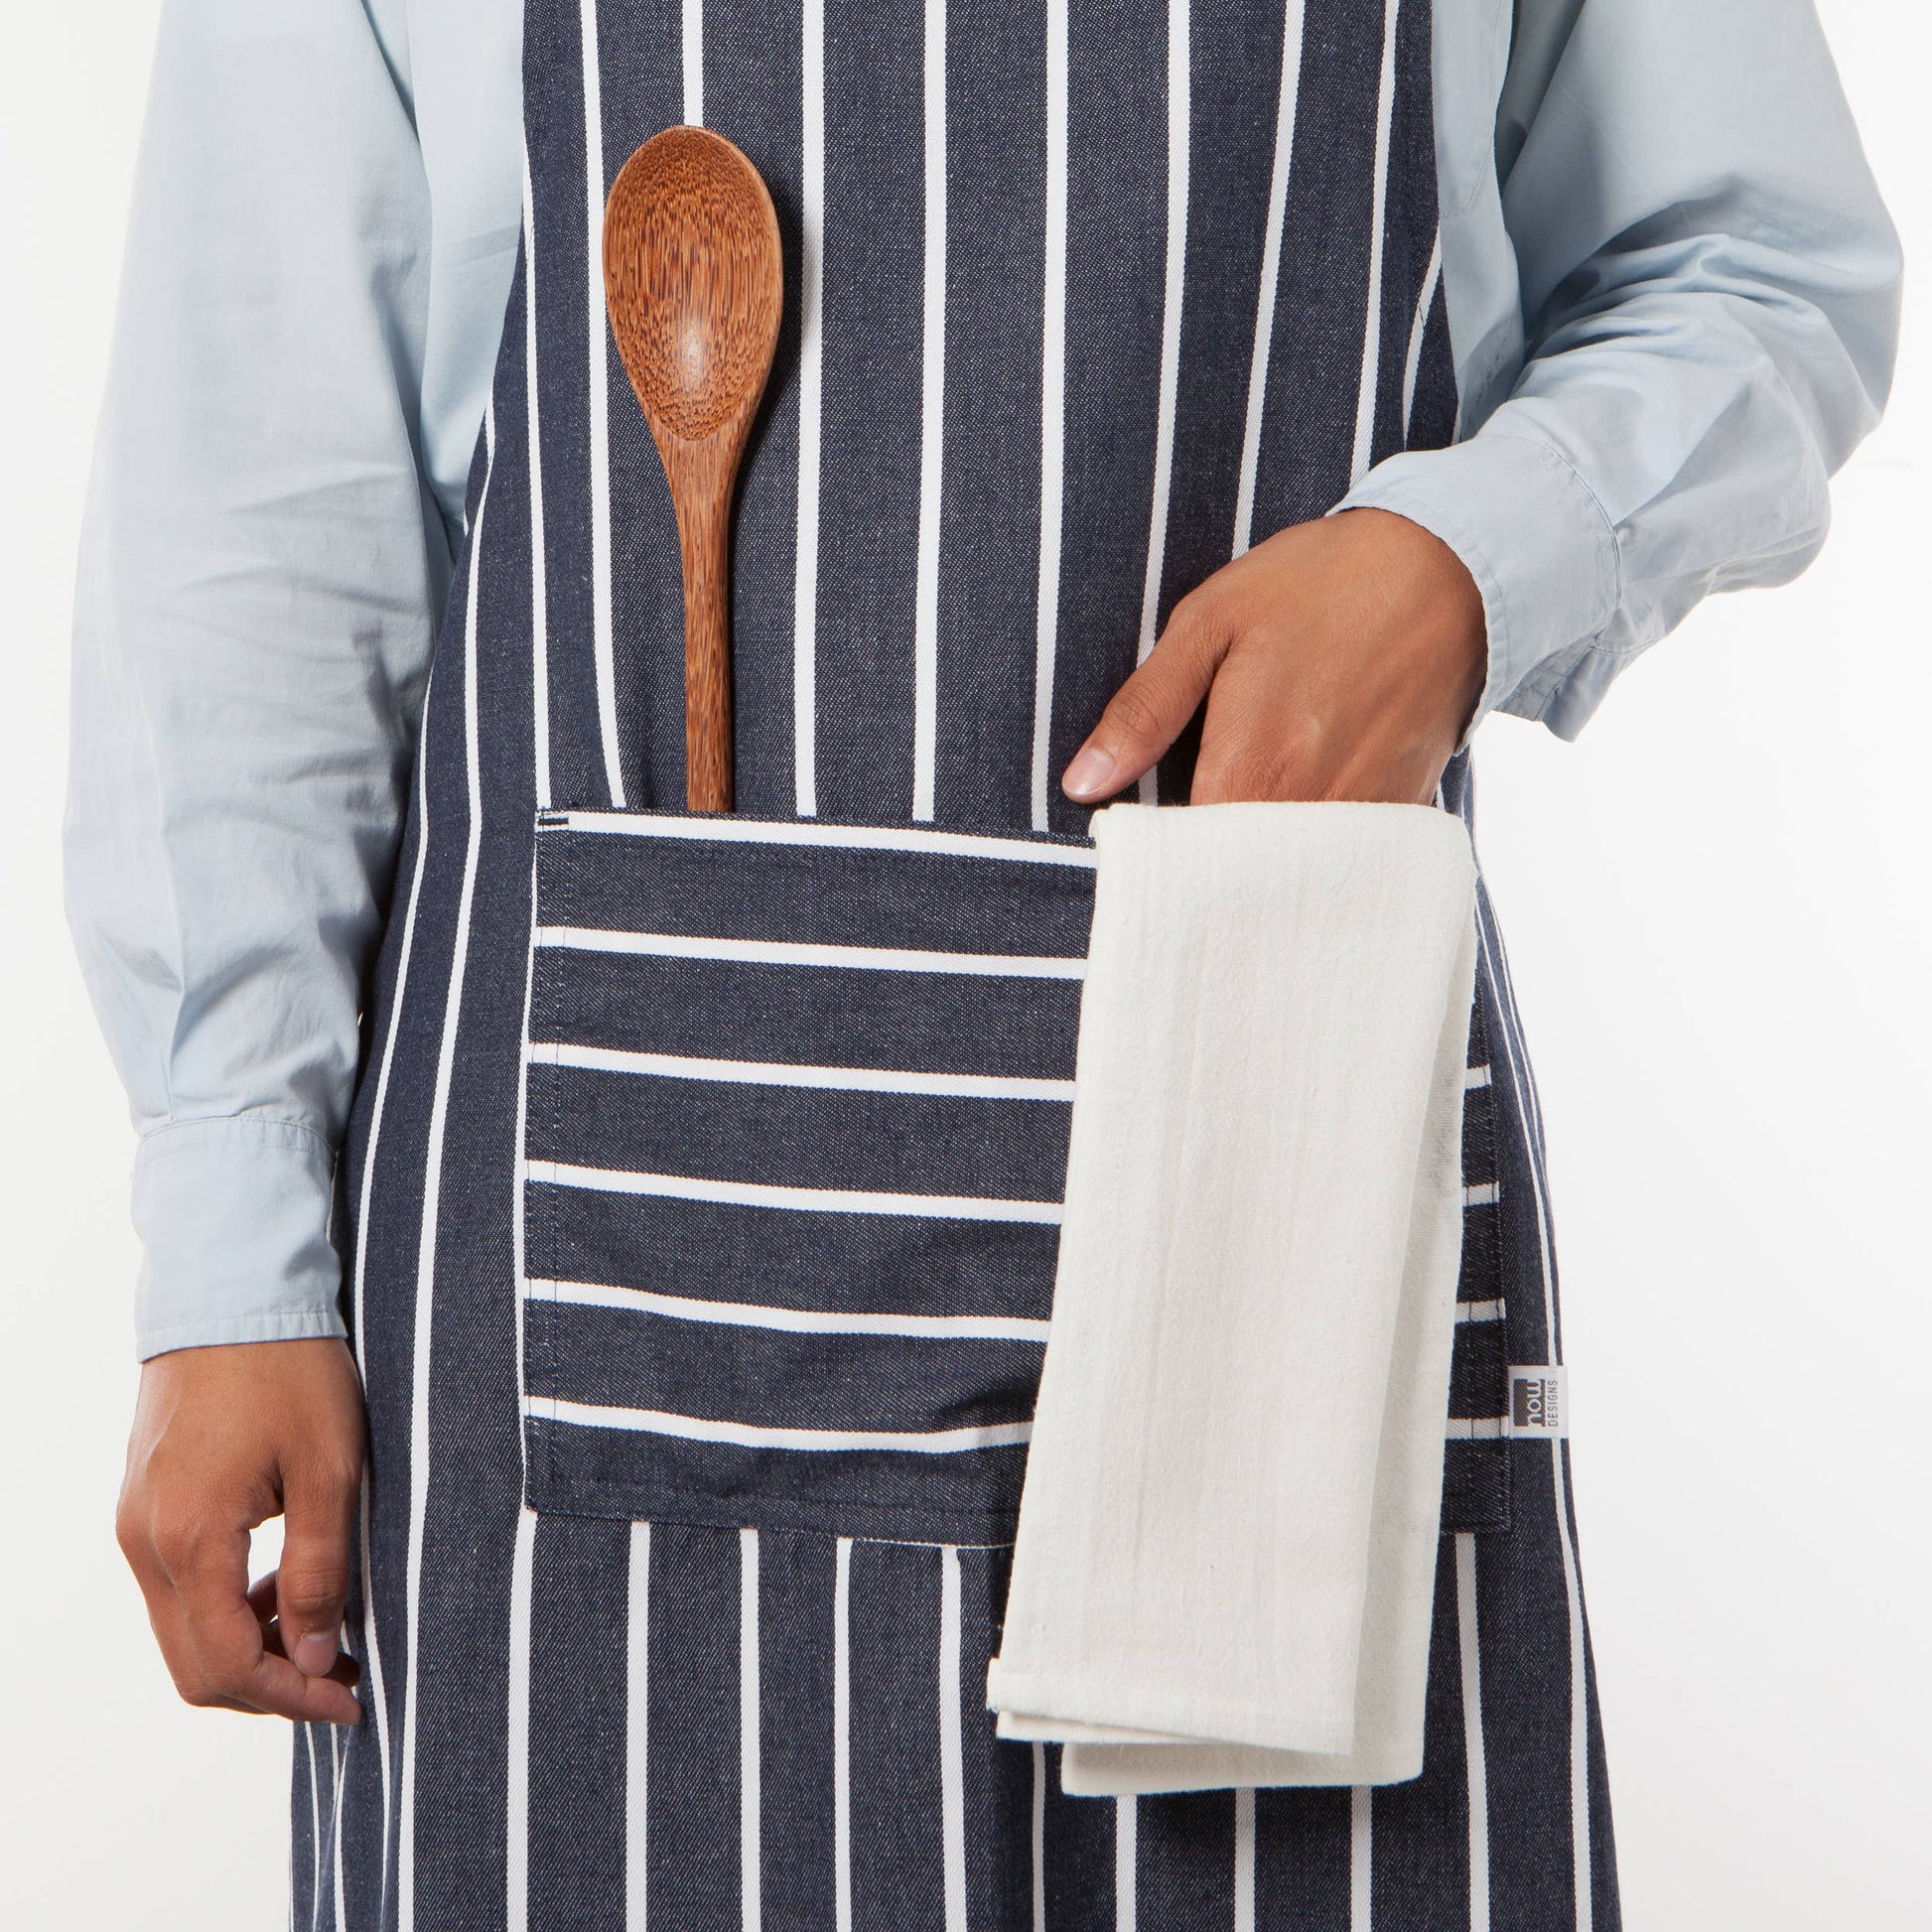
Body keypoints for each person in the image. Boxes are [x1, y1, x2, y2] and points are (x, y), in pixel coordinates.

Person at [67, 0, 1898, 1924]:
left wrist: (1460, 567)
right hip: (591, 1335)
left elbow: (1761, 262)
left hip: (1274, 1213)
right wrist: (226, 1228)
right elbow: (261, 511)